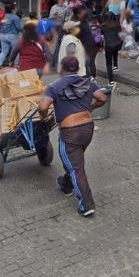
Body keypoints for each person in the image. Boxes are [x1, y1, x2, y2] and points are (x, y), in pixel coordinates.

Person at [38, 56, 107, 217]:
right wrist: (91, 107)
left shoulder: (54, 86)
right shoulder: (88, 82)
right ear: (78, 68)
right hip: (87, 129)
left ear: (61, 69)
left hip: (70, 132)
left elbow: (43, 106)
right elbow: (102, 98)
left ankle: (86, 205)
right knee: (74, 160)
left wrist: (44, 116)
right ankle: (66, 185)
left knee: (76, 167)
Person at [75, 7, 99, 79]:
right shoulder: (94, 22)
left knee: (87, 62)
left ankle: (88, 77)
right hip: (96, 44)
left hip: (87, 46)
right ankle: (93, 77)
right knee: (92, 62)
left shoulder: (81, 24)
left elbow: (78, 36)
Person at [101, 11, 122, 85]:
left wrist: (101, 46)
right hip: (117, 44)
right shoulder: (117, 25)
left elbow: (102, 37)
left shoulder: (103, 26)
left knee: (109, 63)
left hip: (108, 45)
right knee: (115, 52)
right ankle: (115, 65)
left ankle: (111, 80)